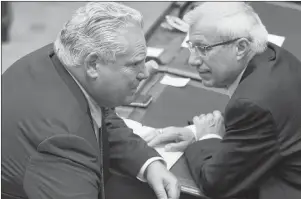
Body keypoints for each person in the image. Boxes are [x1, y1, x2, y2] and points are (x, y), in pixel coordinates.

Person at [1, 2, 180, 199]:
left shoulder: (62, 57)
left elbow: (100, 112)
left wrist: (148, 163)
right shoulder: (62, 142)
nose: (145, 73)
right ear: (93, 64)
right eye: (134, 64)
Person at [147, 2, 301, 199]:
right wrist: (195, 133)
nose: (193, 60)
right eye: (192, 46)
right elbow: (263, 127)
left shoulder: (253, 102)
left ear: (241, 47)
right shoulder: (272, 56)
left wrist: (204, 140)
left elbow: (215, 183)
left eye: (203, 48)